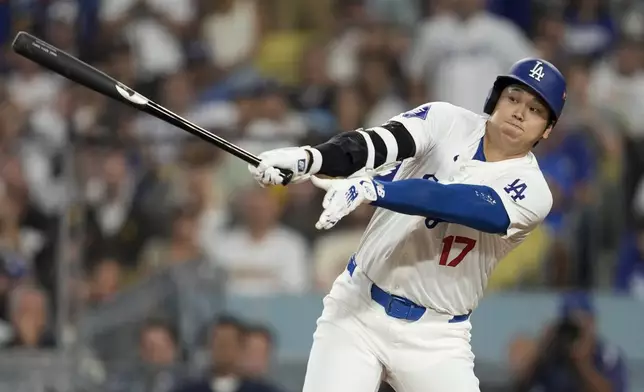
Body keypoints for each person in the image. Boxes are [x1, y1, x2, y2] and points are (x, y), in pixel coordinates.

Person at [248, 58, 567, 392]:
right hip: (357, 309)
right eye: (513, 98)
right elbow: (375, 144)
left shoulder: (533, 190)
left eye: (534, 110)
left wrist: (374, 189)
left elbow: (457, 202)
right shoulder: (446, 120)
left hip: (435, 337)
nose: (518, 113)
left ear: (546, 128)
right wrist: (311, 159)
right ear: (495, 99)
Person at [510, 292, 627, 392]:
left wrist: (583, 364)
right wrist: (541, 350)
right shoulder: (553, 352)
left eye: (584, 323)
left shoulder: (607, 354)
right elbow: (521, 386)